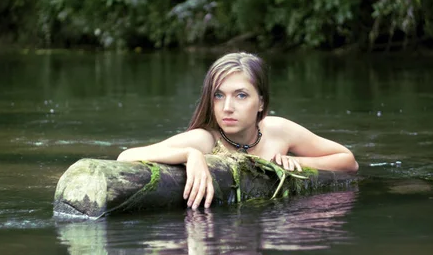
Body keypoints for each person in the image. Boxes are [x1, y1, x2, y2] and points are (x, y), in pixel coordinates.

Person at [117, 52, 358, 210]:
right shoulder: (204, 139)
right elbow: (125, 157)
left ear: (261, 103)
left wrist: (293, 163)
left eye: (241, 95)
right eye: (218, 96)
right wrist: (190, 155)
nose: (228, 107)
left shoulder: (278, 130)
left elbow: (348, 161)